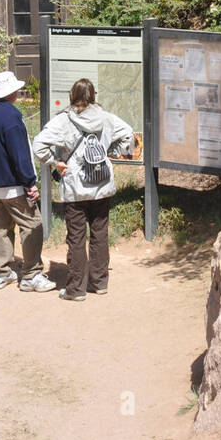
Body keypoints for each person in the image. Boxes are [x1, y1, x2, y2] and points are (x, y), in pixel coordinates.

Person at [32, 79, 134, 302]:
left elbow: (38, 145)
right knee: (100, 234)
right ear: (93, 96)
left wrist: (54, 162)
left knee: (76, 238)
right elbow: (128, 133)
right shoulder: (106, 118)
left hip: (76, 188)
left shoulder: (63, 121)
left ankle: (76, 289)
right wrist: (111, 153)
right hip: (102, 186)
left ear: (71, 95)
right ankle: (99, 283)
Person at [0, 70, 56, 293]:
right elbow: (19, 153)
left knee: (2, 227)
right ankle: (31, 274)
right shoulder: (12, 116)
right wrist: (29, 182)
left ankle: (2, 273)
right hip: (13, 185)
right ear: (11, 91)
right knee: (32, 225)